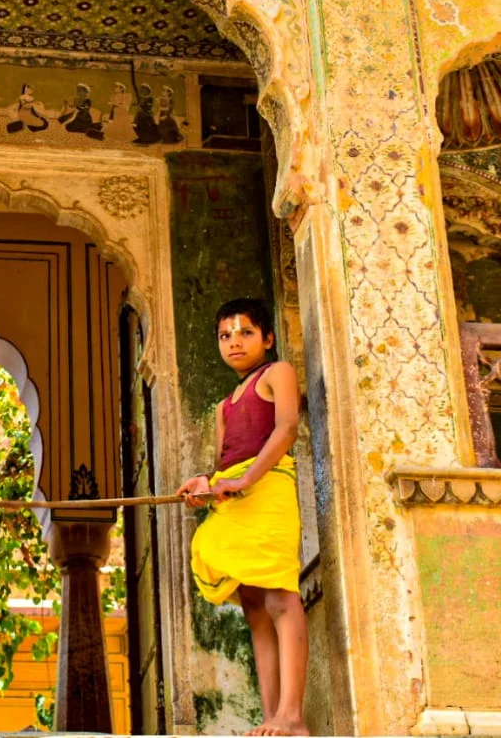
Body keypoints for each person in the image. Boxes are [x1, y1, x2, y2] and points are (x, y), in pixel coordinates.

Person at [176, 298, 308, 737]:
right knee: (254, 608)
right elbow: (222, 464)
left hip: (267, 488)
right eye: (225, 335)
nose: (234, 342)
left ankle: (293, 716)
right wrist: (203, 484)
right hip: (233, 496)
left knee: (280, 600)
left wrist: (248, 478)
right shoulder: (223, 406)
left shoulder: (278, 374)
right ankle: (272, 716)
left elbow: (286, 428)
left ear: (267, 338)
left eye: (245, 332)